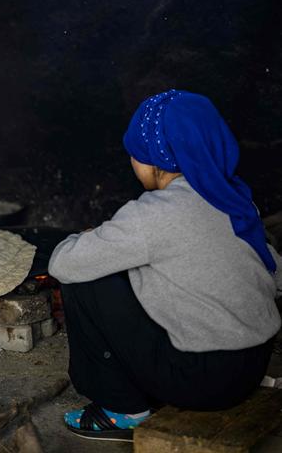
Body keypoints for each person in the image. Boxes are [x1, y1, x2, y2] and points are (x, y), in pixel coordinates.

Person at [48, 89, 282, 442]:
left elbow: (62, 263)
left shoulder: (155, 214)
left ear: (155, 161)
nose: (132, 162)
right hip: (251, 367)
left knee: (86, 280)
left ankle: (122, 409)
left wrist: (90, 236)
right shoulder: (231, 196)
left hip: (203, 382)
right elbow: (274, 270)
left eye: (134, 155)